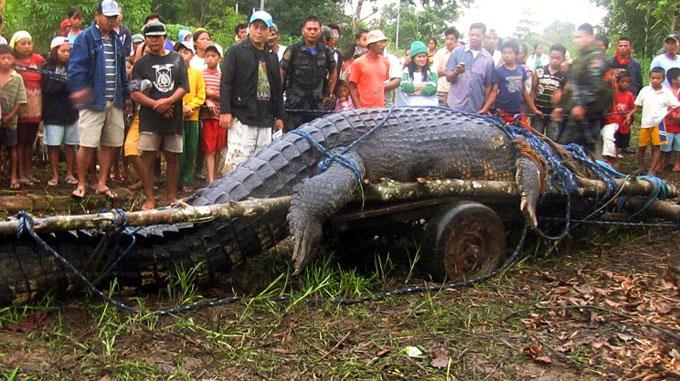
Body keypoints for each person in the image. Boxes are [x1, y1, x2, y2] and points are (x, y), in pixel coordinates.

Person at [68, 0, 129, 199]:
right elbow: (76, 67)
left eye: (114, 17)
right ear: (97, 16)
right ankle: (81, 183)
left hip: (115, 98)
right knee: (87, 144)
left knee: (110, 143)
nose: (111, 21)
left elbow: (121, 71)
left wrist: (125, 95)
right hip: (93, 100)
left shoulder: (116, 39)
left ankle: (102, 183)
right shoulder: (86, 38)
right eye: (108, 17)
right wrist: (79, 89)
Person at [130, 21, 188, 210]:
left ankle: (170, 196)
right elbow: (134, 92)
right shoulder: (140, 64)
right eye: (150, 37)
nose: (154, 41)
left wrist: (168, 101)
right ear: (145, 40)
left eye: (157, 37)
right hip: (149, 118)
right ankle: (150, 198)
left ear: (164, 38)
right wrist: (156, 105)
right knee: (148, 157)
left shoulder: (178, 60)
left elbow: (183, 87)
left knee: (172, 158)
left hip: (173, 116)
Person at [220, 11, 285, 168]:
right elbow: (226, 82)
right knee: (236, 165)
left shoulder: (272, 56)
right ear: (249, 28)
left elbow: (277, 88)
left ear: (269, 31)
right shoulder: (236, 51)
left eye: (263, 28)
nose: (258, 31)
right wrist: (225, 111)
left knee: (261, 166)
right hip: (241, 116)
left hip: (265, 117)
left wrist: (279, 116)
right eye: (255, 27)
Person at [558, 23, 610, 154]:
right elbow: (576, 84)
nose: (576, 41)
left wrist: (583, 106)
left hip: (588, 114)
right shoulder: (582, 57)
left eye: (580, 37)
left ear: (591, 37)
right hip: (577, 113)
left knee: (574, 150)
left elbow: (595, 85)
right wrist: (562, 106)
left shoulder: (594, 57)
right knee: (569, 149)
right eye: (575, 37)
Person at [281, 16, 337, 130]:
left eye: (315, 29)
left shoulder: (326, 51)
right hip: (295, 105)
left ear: (320, 31)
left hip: (316, 104)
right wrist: (279, 95)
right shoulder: (293, 50)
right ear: (303, 30)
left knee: (316, 139)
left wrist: (329, 93)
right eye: (309, 29)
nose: (312, 32)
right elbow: (281, 72)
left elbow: (333, 71)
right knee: (292, 140)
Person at [41, 36, 79, 187]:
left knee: (71, 145)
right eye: (63, 51)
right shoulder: (47, 68)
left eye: (68, 51)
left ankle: (70, 173)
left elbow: (75, 86)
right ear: (55, 51)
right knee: (53, 145)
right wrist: (63, 82)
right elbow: (49, 89)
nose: (66, 54)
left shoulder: (73, 67)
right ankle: (54, 175)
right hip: (53, 113)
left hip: (71, 112)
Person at [10, 30, 45, 185]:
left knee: (31, 140)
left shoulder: (37, 59)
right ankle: (19, 173)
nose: (26, 46)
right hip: (20, 105)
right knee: (20, 140)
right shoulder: (12, 61)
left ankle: (28, 172)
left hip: (36, 104)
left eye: (29, 43)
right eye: (22, 43)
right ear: (15, 45)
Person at [479, 40, 542, 124]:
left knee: (523, 133)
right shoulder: (499, 71)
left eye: (509, 53)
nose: (506, 55)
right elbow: (494, 92)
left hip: (517, 111)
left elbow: (524, 92)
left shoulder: (521, 70)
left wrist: (534, 109)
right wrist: (485, 109)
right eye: (504, 53)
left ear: (516, 55)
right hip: (503, 112)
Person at [631, 67, 680, 175]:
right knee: (641, 147)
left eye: (658, 78)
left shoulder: (666, 92)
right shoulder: (645, 90)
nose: (655, 80)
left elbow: (675, 105)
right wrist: (630, 114)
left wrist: (667, 113)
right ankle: (640, 166)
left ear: (663, 79)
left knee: (657, 146)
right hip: (646, 123)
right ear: (649, 78)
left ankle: (652, 170)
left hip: (659, 123)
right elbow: (637, 105)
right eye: (653, 78)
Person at [175, 40, 206, 188]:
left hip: (193, 116)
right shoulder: (174, 72)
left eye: (186, 52)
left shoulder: (197, 73)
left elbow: (201, 94)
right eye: (180, 52)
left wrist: (190, 106)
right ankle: (176, 180)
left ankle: (187, 180)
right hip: (177, 116)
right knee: (178, 149)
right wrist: (181, 107)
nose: (182, 55)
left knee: (191, 148)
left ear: (192, 55)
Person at [445, 23, 495, 113]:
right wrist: (456, 72)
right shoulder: (457, 52)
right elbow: (448, 78)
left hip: (475, 109)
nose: (474, 38)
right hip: (455, 107)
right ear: (468, 35)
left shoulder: (488, 59)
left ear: (483, 37)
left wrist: (485, 108)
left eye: (478, 36)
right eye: (472, 35)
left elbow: (488, 86)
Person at [0, 44, 27, 190]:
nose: (5, 61)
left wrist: (10, 116)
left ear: (13, 59)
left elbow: (21, 100)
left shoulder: (17, 78)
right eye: (2, 58)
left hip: (11, 120)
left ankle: (13, 176)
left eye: (8, 58)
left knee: (12, 147)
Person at [531, 43, 567, 139]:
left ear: (563, 58)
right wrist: (533, 109)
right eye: (552, 57)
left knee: (553, 141)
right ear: (549, 56)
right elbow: (533, 90)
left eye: (558, 58)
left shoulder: (564, 75)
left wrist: (560, 109)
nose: (554, 61)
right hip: (538, 112)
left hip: (554, 115)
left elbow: (566, 95)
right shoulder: (539, 71)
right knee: (535, 140)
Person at [200, 42, 224, 184]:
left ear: (219, 58)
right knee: (210, 150)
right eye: (207, 56)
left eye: (213, 56)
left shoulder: (222, 76)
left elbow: (225, 95)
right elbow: (198, 93)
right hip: (207, 118)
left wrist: (212, 94)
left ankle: (215, 178)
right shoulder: (201, 75)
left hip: (220, 116)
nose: (210, 59)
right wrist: (206, 99)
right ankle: (210, 180)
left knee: (219, 149)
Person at [348, 30, 390, 108]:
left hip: (380, 110)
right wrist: (358, 109)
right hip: (364, 110)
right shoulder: (358, 63)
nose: (383, 45)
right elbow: (352, 87)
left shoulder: (385, 62)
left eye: (384, 42)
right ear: (371, 45)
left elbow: (382, 84)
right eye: (380, 42)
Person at [601, 71, 635, 167]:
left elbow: (634, 107)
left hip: (623, 122)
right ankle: (609, 157)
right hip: (613, 119)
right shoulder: (614, 93)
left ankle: (613, 157)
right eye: (622, 81)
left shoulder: (629, 95)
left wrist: (629, 115)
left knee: (620, 140)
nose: (625, 84)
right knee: (611, 137)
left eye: (627, 82)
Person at [396, 41, 437, 107]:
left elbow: (432, 88)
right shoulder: (406, 71)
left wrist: (414, 92)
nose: (422, 59)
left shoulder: (432, 70)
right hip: (411, 108)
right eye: (419, 57)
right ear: (413, 58)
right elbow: (405, 87)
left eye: (424, 56)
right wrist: (424, 85)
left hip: (430, 107)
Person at [660, 67, 680, 171]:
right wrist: (672, 115)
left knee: (678, 144)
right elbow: (663, 105)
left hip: (679, 124)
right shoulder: (666, 92)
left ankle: (677, 163)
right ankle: (663, 162)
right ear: (673, 80)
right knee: (665, 145)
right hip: (668, 123)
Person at [432, 27, 459, 105]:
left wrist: (444, 72)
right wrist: (452, 72)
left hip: (455, 92)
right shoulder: (440, 53)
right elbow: (434, 72)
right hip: (441, 91)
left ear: (456, 41)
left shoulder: (461, 54)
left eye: (451, 39)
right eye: (447, 39)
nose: (448, 41)